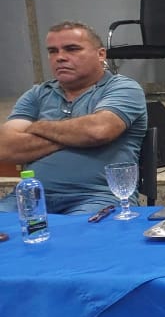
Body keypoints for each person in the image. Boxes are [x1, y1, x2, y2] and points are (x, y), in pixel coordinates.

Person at [0, 20, 146, 214]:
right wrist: (75, 135)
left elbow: (98, 131)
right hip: (32, 196)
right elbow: (5, 148)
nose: (60, 58)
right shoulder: (37, 94)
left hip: (97, 197)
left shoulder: (123, 88)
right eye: (53, 51)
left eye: (72, 49)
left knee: (77, 240)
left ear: (100, 54)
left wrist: (38, 127)